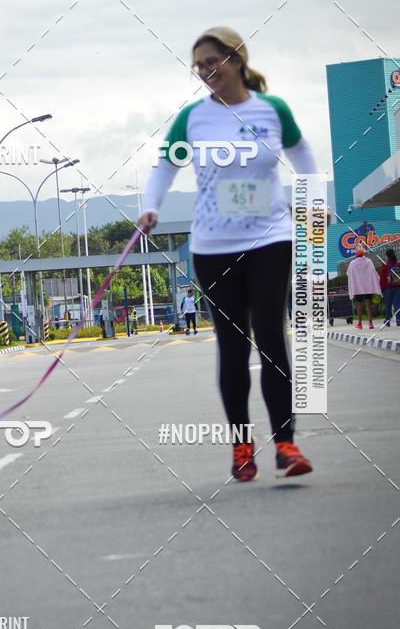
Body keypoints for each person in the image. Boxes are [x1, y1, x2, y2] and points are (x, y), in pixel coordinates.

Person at [138, 26, 327, 481]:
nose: (204, 71)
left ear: (236, 60)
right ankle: (242, 448)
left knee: (270, 337)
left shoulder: (271, 110)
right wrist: (149, 207)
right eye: (198, 65)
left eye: (211, 61)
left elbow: (302, 155)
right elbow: (165, 165)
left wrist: (314, 204)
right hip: (213, 246)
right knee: (232, 346)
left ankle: (286, 444)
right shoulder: (193, 118)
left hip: (269, 237)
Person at [347, 247, 382, 329]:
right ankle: (370, 323)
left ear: (356, 255)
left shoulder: (352, 263)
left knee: (359, 306)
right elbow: (373, 272)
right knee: (368, 305)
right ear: (363, 254)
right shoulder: (368, 261)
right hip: (368, 287)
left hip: (358, 288)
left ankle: (359, 323)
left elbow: (348, 273)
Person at [379, 248, 400, 327]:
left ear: (387, 256)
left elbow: (382, 279)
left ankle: (387, 321)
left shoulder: (385, 265)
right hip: (398, 287)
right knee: (397, 304)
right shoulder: (398, 264)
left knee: (388, 305)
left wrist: (382, 290)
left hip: (388, 288)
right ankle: (398, 320)